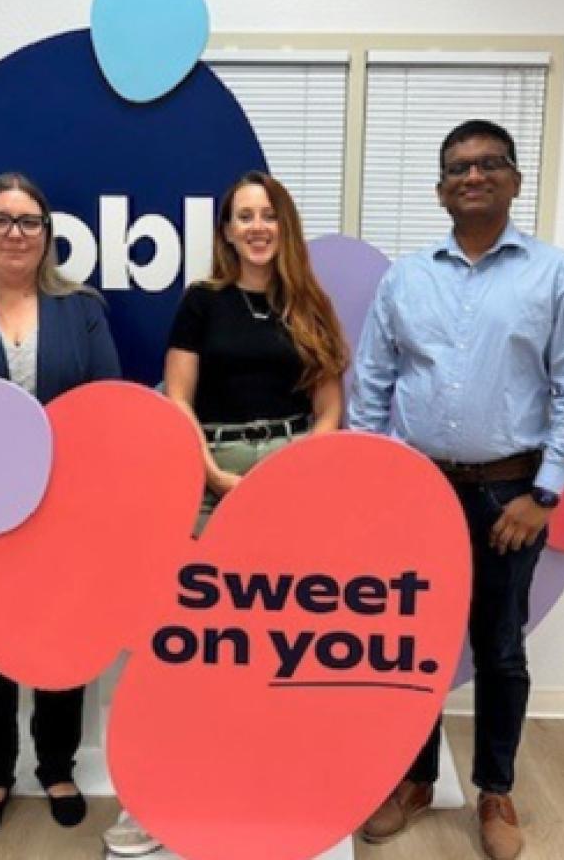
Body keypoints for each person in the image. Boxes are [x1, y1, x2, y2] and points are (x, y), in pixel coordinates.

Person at [102, 169, 348, 857]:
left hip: (295, 475)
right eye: (244, 216)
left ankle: (266, 790)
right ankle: (154, 799)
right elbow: (177, 397)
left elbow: (330, 406)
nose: (257, 227)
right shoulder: (202, 301)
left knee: (277, 642)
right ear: (227, 232)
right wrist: (210, 472)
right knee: (190, 641)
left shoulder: (310, 303)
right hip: (209, 473)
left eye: (267, 214)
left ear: (283, 224)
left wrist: (295, 473)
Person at [348, 120, 564, 860]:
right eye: (457, 168)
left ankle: (495, 790)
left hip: (510, 496)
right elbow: (371, 387)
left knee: (499, 647)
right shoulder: (406, 280)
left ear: (514, 180)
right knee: (411, 645)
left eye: (489, 163)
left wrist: (543, 496)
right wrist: (375, 486)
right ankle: (414, 780)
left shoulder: (554, 276)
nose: (473, 176)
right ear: (440, 190)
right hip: (416, 493)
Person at [0, 172, 121, 837]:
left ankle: (57, 764)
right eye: (1, 220)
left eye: (29, 221)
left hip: (63, 512)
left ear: (47, 235)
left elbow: (105, 405)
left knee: (61, 637)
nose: (16, 233)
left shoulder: (81, 309)